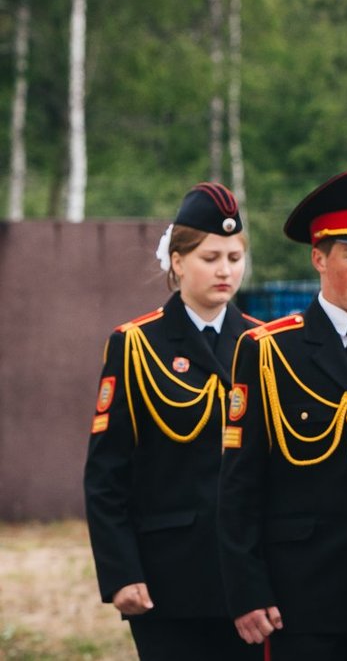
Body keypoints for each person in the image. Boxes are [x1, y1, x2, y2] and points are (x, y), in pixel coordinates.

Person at [218, 167, 347, 659]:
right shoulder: (270, 351)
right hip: (304, 594)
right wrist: (247, 589)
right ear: (319, 258)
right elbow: (240, 484)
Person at [84, 182, 264, 660]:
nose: (225, 270)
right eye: (210, 257)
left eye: (234, 257)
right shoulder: (136, 345)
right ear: (178, 262)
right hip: (169, 578)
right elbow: (106, 475)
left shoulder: (264, 344)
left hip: (253, 579)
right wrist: (120, 572)